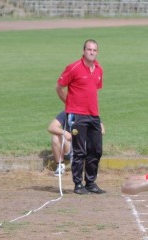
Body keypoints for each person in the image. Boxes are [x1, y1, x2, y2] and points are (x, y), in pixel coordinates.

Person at [55, 39, 106, 195]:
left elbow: (93, 90)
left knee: (96, 149)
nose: (91, 52)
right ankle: (78, 184)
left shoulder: (98, 69)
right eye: (89, 49)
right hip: (77, 115)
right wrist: (69, 104)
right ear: (83, 51)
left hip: (93, 114)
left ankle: (90, 182)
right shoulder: (74, 68)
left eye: (94, 50)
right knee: (79, 151)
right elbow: (59, 87)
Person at [47, 111, 73, 177]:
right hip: (70, 146)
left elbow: (101, 130)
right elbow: (51, 127)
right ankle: (60, 165)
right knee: (56, 137)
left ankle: (91, 167)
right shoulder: (66, 113)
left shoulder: (89, 112)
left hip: (84, 147)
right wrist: (65, 133)